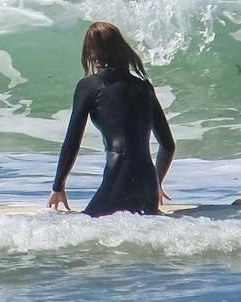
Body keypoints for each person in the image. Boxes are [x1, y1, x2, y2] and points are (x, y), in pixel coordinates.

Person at [47, 21, 176, 216]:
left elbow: (73, 141)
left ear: (92, 53)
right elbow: (168, 145)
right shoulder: (143, 86)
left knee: (83, 233)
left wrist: (58, 187)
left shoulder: (89, 86)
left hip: (119, 176)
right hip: (148, 182)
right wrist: (156, 183)